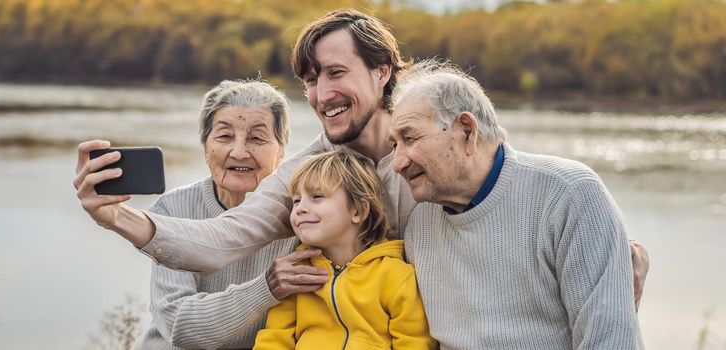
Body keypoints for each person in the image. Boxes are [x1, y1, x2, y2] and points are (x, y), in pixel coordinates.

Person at [72, 9, 649, 313]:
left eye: (334, 73)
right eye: (310, 80)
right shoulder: (309, 174)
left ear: (382, 73)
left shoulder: (444, 148)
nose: (321, 94)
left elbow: (520, 199)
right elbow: (218, 241)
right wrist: (118, 219)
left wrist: (607, 251)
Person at [390, 59, 643, 348]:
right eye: (394, 145)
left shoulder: (570, 195)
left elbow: (611, 341)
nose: (398, 163)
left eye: (409, 138)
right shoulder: (420, 223)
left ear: (467, 131)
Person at [128, 79, 300, 349]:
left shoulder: (303, 214)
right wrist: (265, 288)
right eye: (224, 136)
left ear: (282, 151)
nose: (239, 152)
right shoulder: (174, 210)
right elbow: (179, 326)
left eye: (256, 138)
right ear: (206, 149)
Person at [253, 149, 435, 349]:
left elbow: (414, 342)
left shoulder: (394, 275)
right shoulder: (296, 274)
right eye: (296, 200)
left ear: (358, 210)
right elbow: (273, 339)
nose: (300, 208)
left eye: (317, 196)